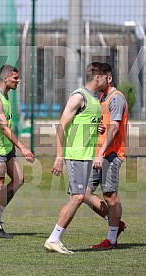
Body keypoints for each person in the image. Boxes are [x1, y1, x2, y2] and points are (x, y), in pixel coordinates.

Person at [44, 62, 108, 254]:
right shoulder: (79, 96)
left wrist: (94, 129)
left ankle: (55, 239)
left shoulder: (94, 99)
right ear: (97, 77)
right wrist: (59, 156)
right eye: (106, 77)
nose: (108, 80)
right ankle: (54, 239)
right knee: (78, 197)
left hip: (86, 156)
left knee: (77, 197)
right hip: (76, 155)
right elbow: (61, 126)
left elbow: (82, 123)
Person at [0, 65, 35, 239]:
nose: (18, 81)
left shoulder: (5, 97)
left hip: (7, 148)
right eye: (15, 78)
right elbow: (4, 128)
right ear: (5, 78)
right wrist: (23, 147)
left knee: (19, 179)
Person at [84, 63, 128, 249]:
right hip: (99, 153)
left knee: (110, 196)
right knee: (82, 193)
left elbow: (116, 127)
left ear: (108, 78)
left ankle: (111, 239)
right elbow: (108, 125)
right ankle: (115, 223)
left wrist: (101, 153)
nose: (96, 81)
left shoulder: (116, 98)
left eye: (99, 77)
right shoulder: (102, 97)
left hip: (109, 154)